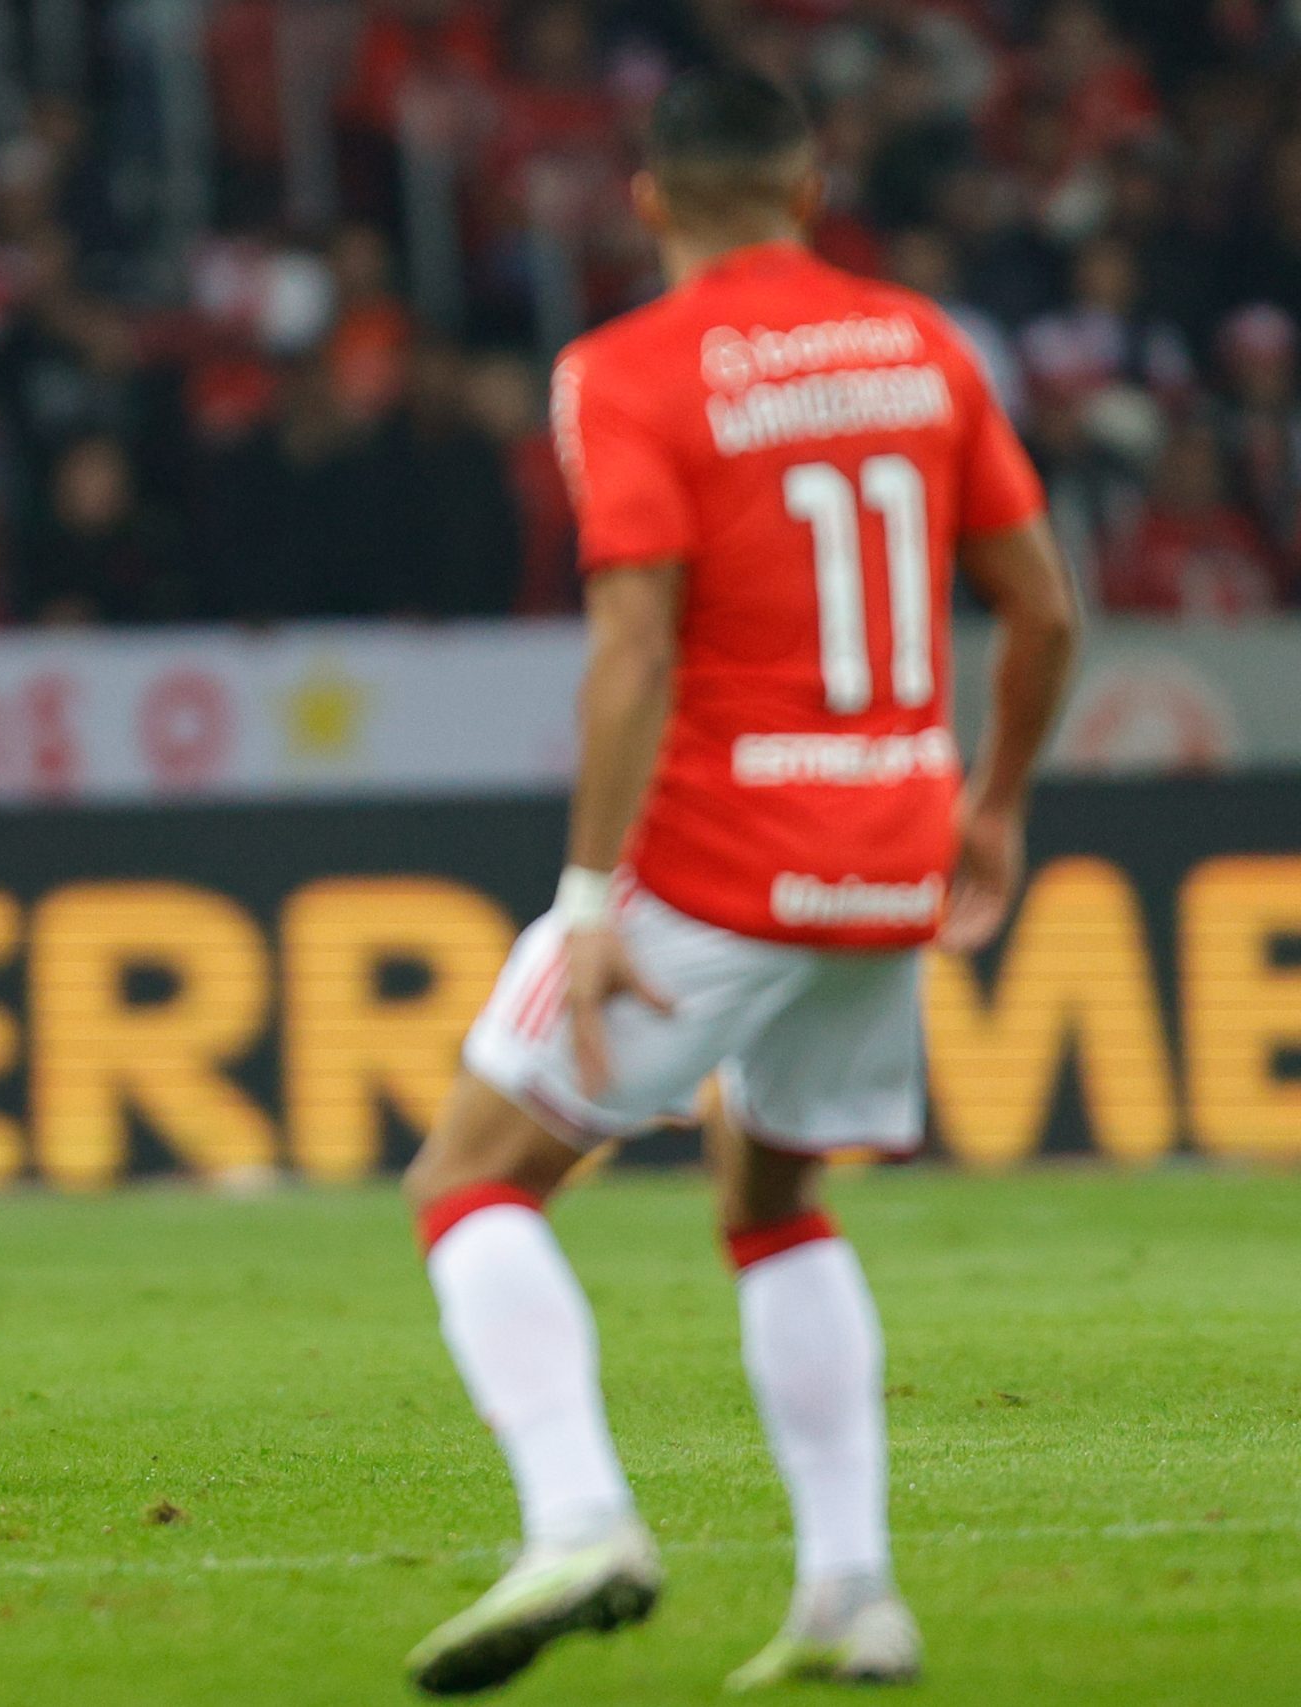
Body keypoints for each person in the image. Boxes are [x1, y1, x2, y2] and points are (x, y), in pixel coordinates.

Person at [395, 68, 1077, 1695]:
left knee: (469, 1181)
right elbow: (1044, 614)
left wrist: (584, 898)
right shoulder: (925, 346)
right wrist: (992, 814)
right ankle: (854, 1592)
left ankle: (580, 1520)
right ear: (810, 178)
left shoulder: (626, 369)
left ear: (648, 202)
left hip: (713, 859)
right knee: (775, 1199)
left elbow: (633, 645)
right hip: (893, 848)